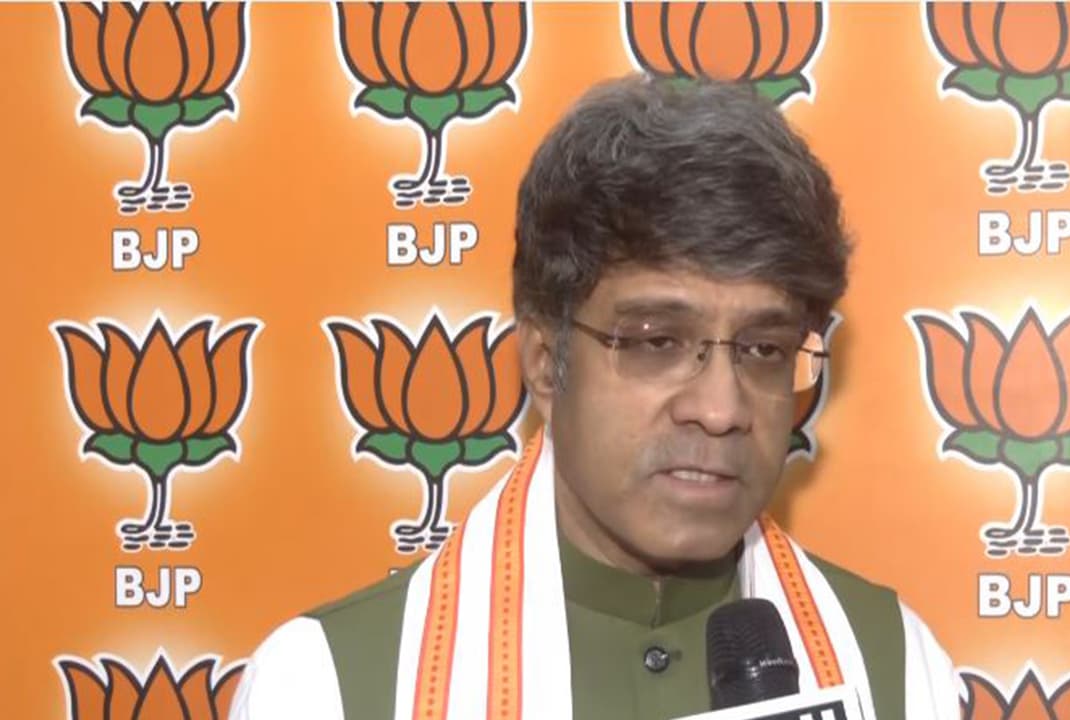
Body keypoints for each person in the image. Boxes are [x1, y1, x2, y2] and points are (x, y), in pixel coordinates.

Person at [230, 75, 960, 720]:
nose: (721, 409)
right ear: (545, 363)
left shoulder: (895, 668)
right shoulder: (328, 689)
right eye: (656, 341)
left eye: (764, 350)